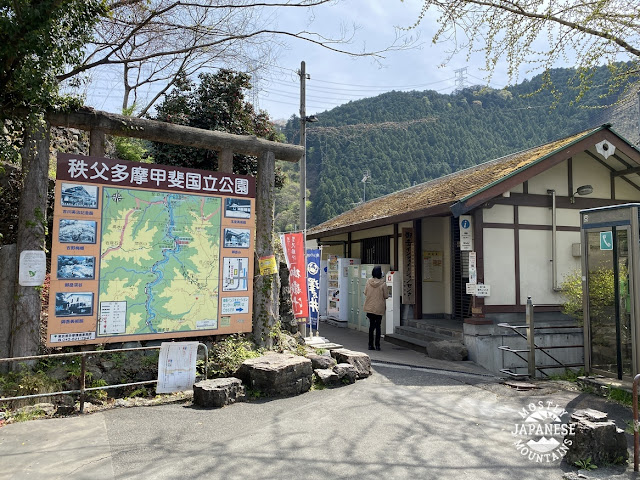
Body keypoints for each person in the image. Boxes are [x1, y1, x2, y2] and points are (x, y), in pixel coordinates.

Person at [363, 265, 388, 351]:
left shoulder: (368, 282)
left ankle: (370, 345)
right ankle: (377, 345)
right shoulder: (383, 284)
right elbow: (386, 296)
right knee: (378, 326)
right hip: (379, 307)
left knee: (371, 326)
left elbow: (365, 292)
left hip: (369, 307)